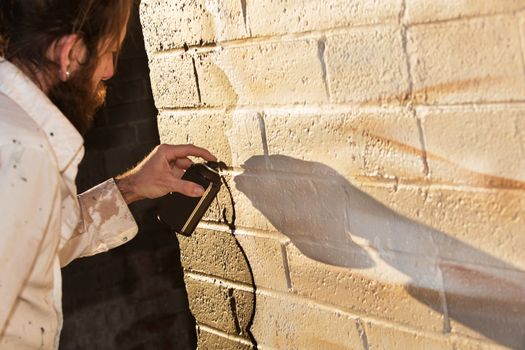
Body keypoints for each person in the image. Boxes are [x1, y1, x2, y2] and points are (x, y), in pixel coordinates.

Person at [0, 1, 216, 348]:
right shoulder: (24, 152)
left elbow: (46, 235)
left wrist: (132, 186)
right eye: (110, 51)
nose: (110, 71)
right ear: (71, 52)